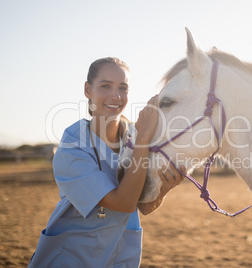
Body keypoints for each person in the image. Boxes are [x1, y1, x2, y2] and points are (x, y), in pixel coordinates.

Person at [29, 57, 186, 267]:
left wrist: (165, 187)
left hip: (119, 258)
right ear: (87, 89)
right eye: (105, 86)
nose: (116, 95)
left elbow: (143, 206)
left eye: (123, 87)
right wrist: (144, 138)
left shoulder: (134, 135)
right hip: (73, 258)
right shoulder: (73, 145)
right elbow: (124, 203)